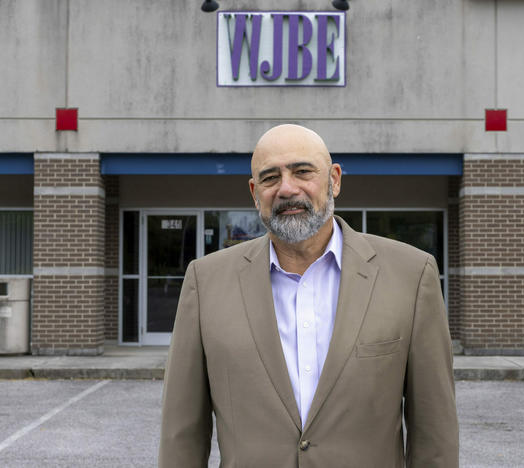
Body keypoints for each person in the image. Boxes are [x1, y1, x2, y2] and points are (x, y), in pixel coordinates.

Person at [159, 124, 459, 468]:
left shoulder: (411, 275)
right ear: (255, 193)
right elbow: (180, 435)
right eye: (271, 178)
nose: (287, 188)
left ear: (334, 179)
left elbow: (435, 434)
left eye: (302, 171)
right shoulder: (206, 281)